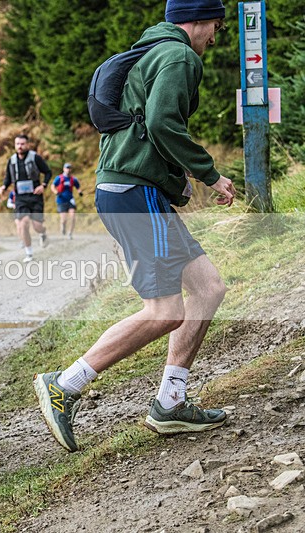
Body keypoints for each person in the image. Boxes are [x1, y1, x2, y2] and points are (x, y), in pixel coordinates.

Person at [33, 0, 236, 453]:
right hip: (133, 193)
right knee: (164, 311)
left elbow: (148, 126)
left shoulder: (151, 49)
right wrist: (209, 175)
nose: (214, 38)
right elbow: (163, 123)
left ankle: (171, 402)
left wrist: (173, 179)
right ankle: (64, 384)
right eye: (216, 26)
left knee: (208, 288)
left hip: (132, 189)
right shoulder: (179, 55)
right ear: (198, 20)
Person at [0, 135, 52, 262]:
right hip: (20, 198)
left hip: (35, 196)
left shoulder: (35, 157)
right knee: (24, 223)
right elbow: (8, 177)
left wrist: (43, 185)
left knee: (37, 226)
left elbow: (48, 172)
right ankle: (29, 253)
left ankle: (43, 233)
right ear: (15, 145)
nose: (20, 146)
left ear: (27, 145)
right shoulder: (11, 160)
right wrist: (4, 186)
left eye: (22, 144)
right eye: (17, 144)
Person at [50, 162, 82, 239]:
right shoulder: (59, 178)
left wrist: (80, 192)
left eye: (69, 168)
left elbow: (78, 187)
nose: (68, 170)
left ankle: (70, 233)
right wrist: (56, 192)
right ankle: (63, 227)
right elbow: (52, 186)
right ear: (64, 169)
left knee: (73, 216)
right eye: (67, 168)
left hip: (70, 200)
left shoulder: (73, 179)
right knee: (64, 219)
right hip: (61, 200)